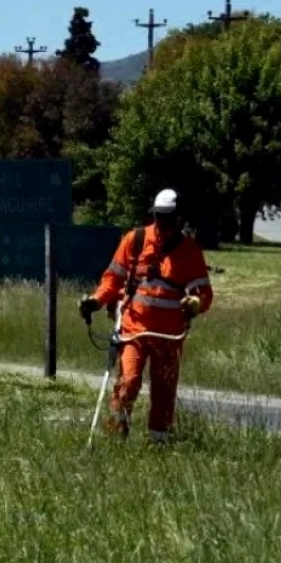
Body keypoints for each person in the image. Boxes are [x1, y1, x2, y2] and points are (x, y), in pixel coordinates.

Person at [78, 189, 214, 444]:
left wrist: (196, 303)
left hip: (169, 334)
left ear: (178, 218)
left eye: (168, 218)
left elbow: (204, 293)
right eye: (159, 217)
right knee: (128, 380)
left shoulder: (190, 251)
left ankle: (157, 442)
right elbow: (112, 278)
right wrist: (96, 301)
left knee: (164, 391)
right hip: (134, 329)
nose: (162, 223)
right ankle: (115, 434)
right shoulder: (135, 240)